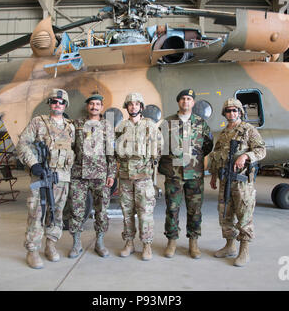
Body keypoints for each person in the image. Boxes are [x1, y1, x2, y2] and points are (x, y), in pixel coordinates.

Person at [17, 88, 75, 269]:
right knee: (37, 213)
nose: (57, 104)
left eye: (61, 102)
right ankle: (33, 250)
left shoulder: (70, 127)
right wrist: (34, 164)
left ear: (65, 105)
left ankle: (51, 244)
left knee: (57, 213)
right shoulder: (38, 122)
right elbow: (23, 144)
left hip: (62, 177)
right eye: (54, 101)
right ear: (49, 103)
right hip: (41, 175)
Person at [209, 98, 266, 267]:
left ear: (240, 112)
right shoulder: (224, 133)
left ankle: (244, 251)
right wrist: (213, 176)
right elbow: (216, 155)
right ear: (224, 114)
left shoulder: (249, 130)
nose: (231, 113)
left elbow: (261, 150)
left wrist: (245, 156)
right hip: (225, 180)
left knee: (243, 215)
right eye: (228, 111)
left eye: (235, 110)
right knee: (225, 214)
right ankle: (229, 246)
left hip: (242, 182)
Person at [158, 89, 214, 259]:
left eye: (189, 99)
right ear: (178, 102)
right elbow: (160, 146)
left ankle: (193, 242)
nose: (186, 102)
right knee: (172, 209)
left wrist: (194, 159)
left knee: (194, 209)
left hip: (194, 175)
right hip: (173, 174)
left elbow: (208, 145)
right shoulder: (167, 122)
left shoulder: (200, 123)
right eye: (183, 99)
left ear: (193, 103)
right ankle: (172, 241)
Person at [115, 92, 163, 261]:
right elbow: (116, 152)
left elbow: (159, 147)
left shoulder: (150, 125)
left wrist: (149, 164)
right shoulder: (121, 127)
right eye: (130, 104)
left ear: (141, 107)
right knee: (127, 213)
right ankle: (129, 243)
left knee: (145, 214)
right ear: (126, 107)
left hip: (143, 179)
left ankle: (146, 245)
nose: (133, 107)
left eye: (136, 104)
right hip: (126, 178)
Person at [68, 94, 116, 258]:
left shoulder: (107, 126)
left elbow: (111, 152)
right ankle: (76, 244)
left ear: (101, 107)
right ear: (87, 106)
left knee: (101, 211)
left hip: (100, 175)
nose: (94, 107)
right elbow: (70, 148)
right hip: (78, 175)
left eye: (97, 104)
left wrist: (111, 173)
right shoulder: (77, 124)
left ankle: (100, 242)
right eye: (91, 104)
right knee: (76, 210)